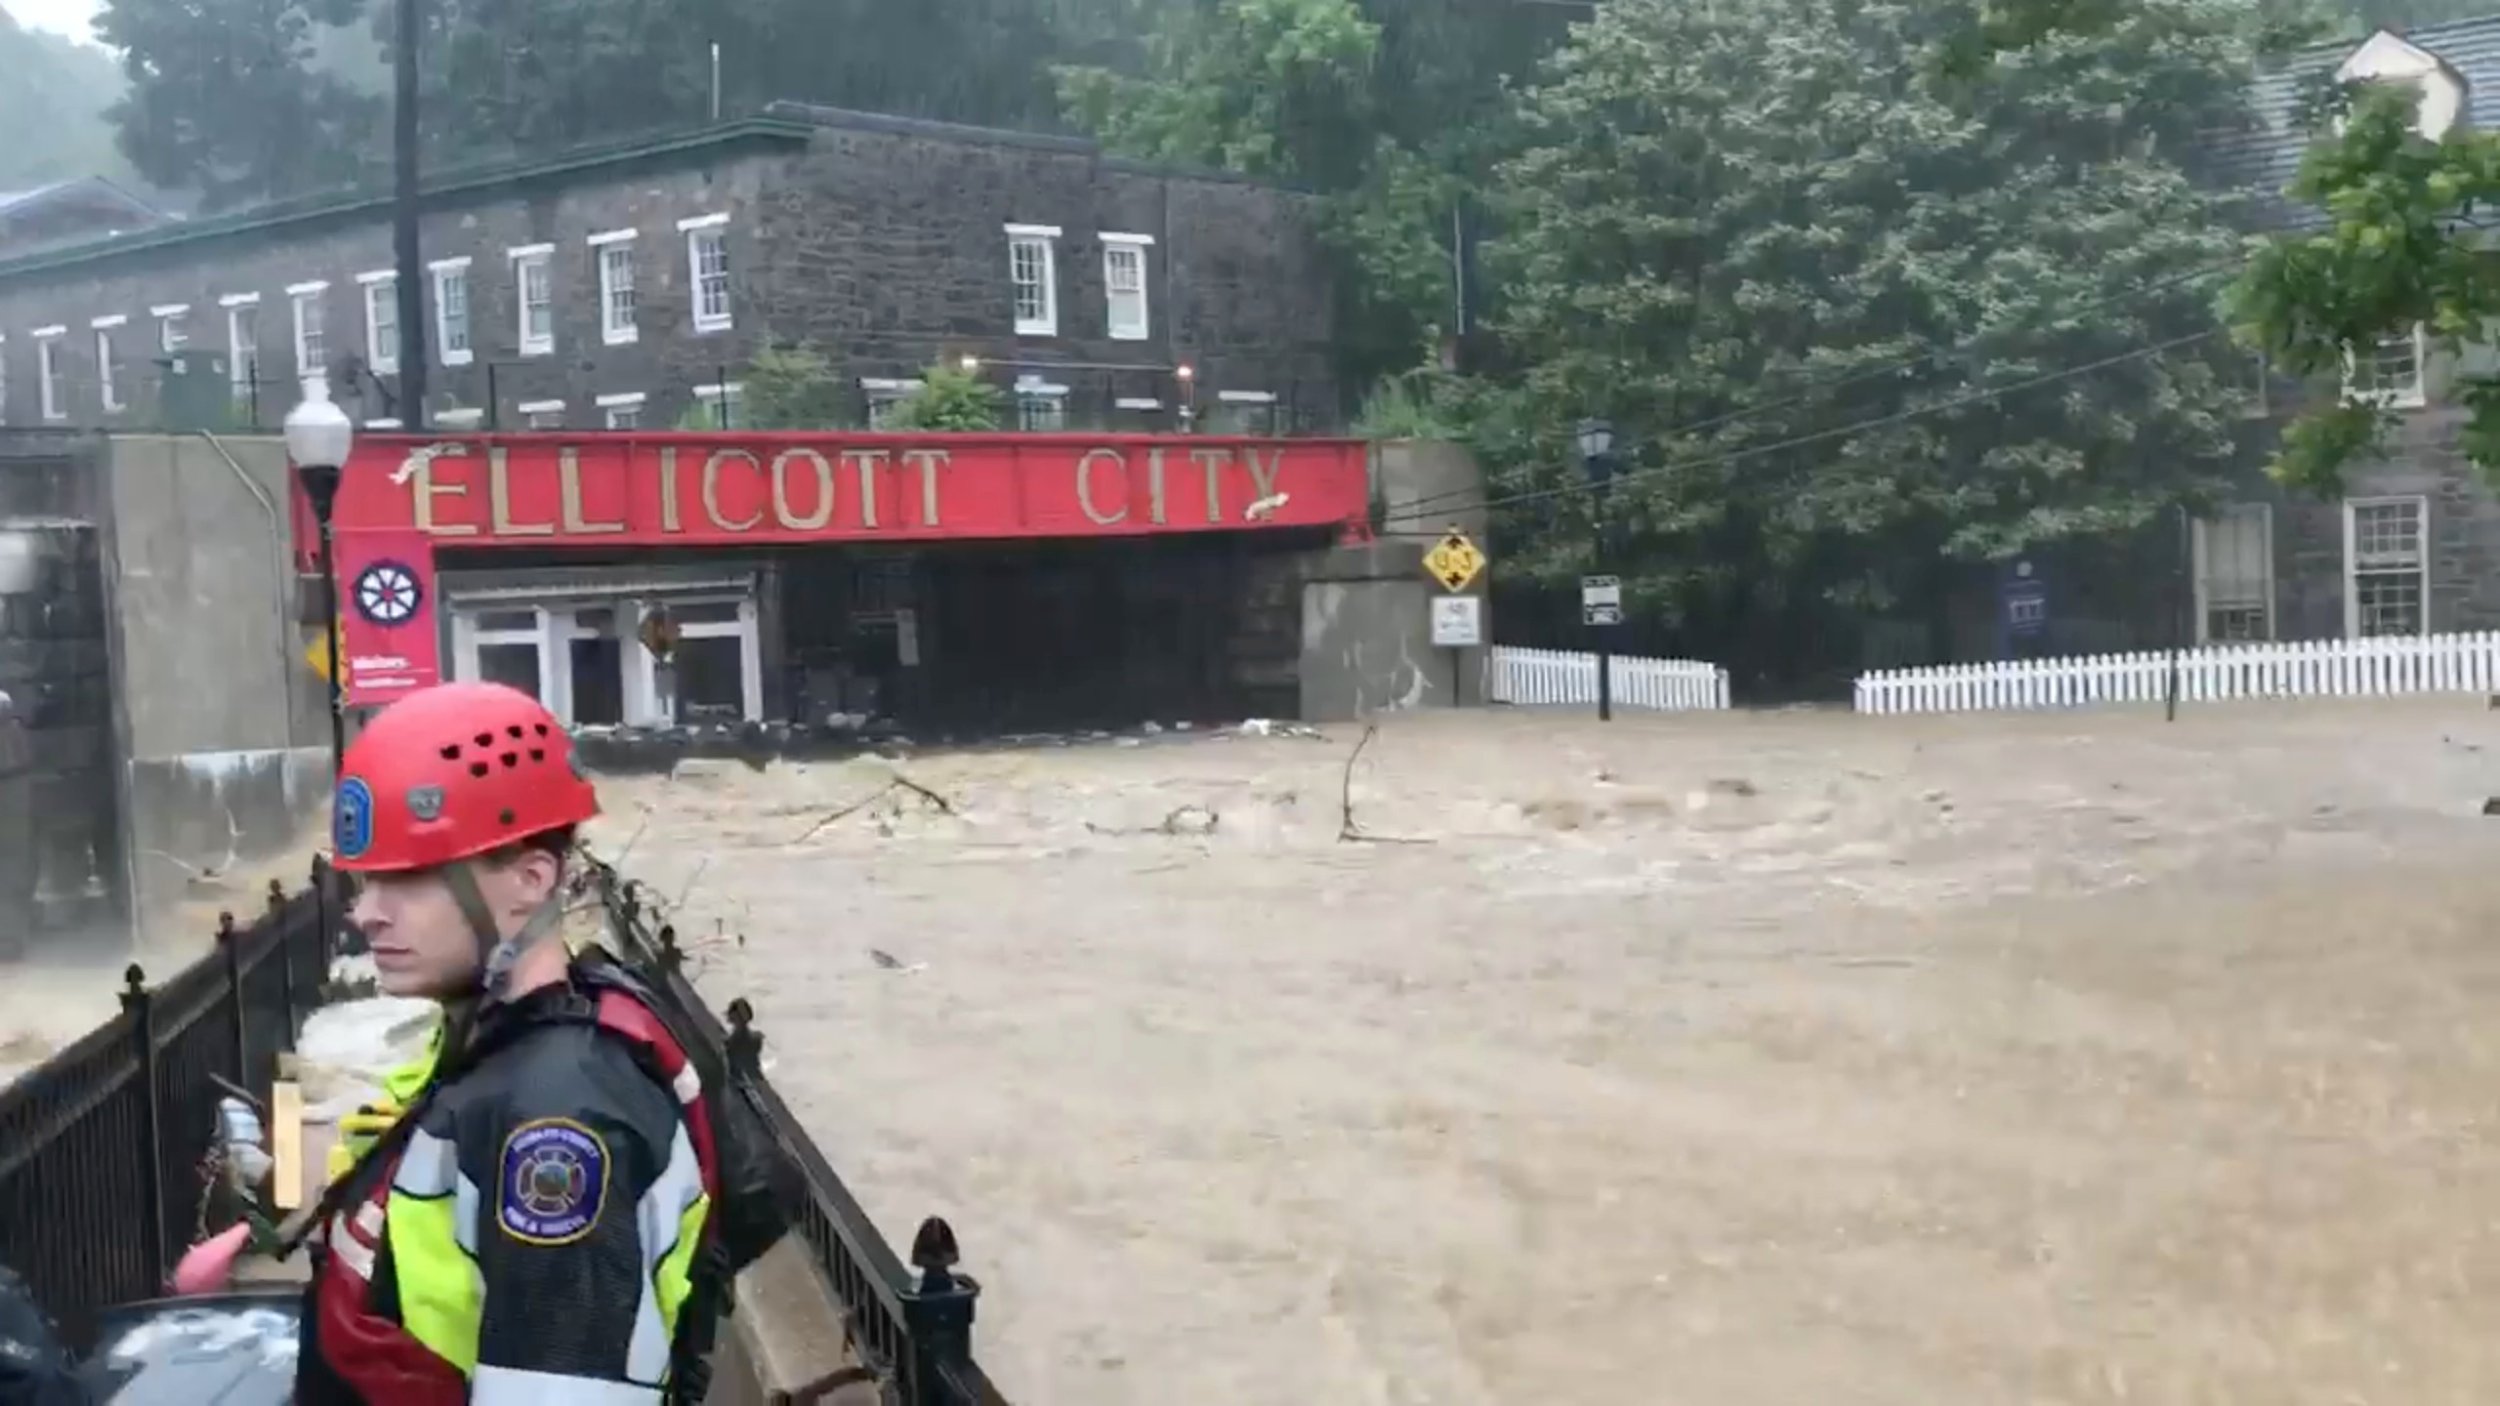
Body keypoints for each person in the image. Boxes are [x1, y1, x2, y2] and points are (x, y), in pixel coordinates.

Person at [291, 680, 763, 1406]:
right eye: (365, 883)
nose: (366, 914)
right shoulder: (492, 1033)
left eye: (408, 881)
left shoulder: (560, 1122)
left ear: (530, 880)